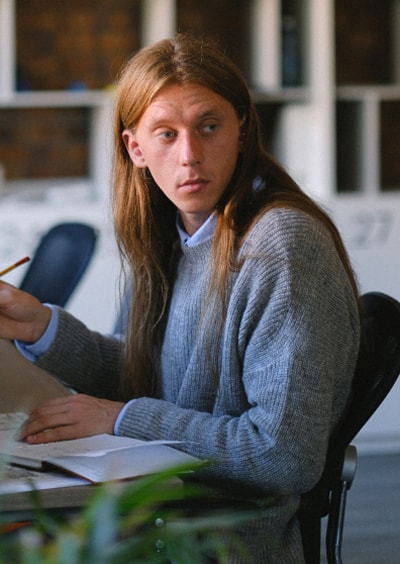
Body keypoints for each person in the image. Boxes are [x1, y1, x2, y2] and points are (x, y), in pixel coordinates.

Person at [0, 34, 360, 562]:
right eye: (166, 134)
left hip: (218, 541)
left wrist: (121, 419)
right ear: (136, 149)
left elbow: (283, 456)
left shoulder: (280, 245)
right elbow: (158, 375)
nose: (189, 155)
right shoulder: (177, 234)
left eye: (209, 127)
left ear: (242, 130)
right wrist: (40, 326)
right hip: (162, 515)